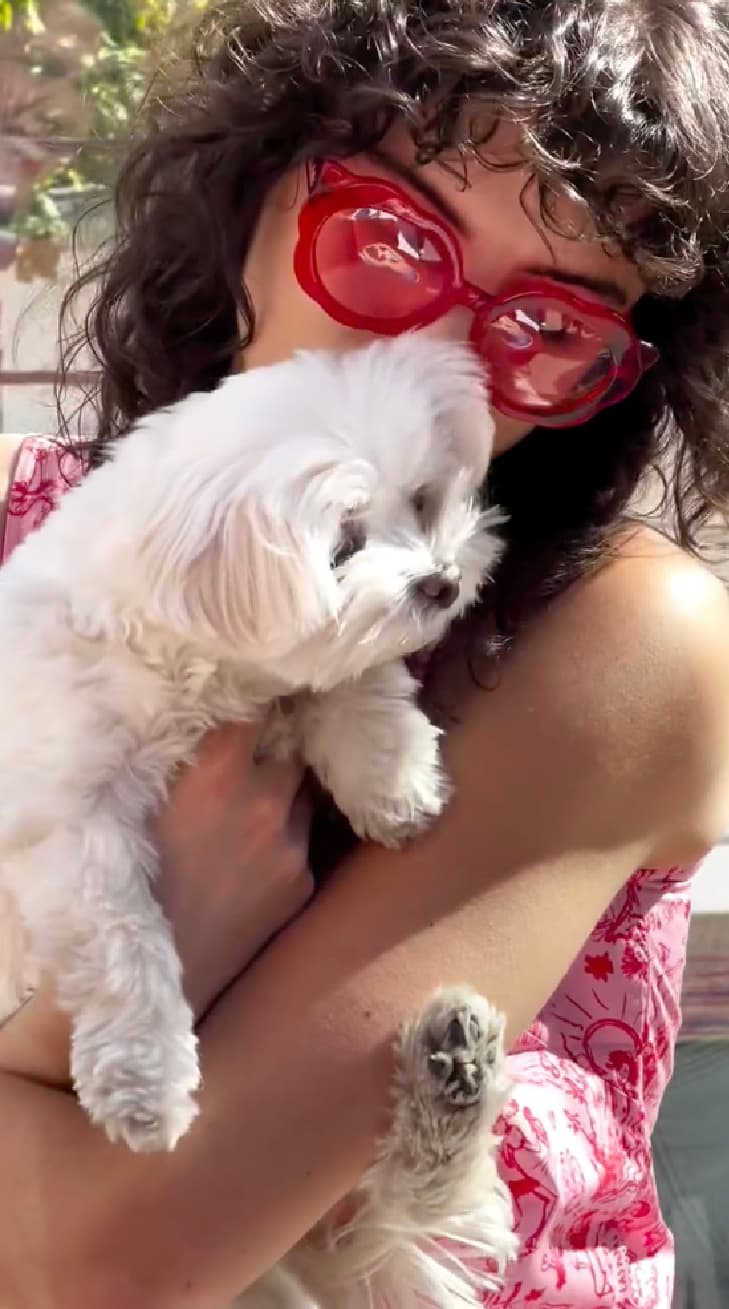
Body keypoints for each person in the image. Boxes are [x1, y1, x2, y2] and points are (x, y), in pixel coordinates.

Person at [2, 1, 729, 1305]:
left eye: (555, 321)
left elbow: (102, 1266)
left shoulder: (619, 639)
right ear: (260, 195)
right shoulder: (39, 528)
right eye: (394, 237)